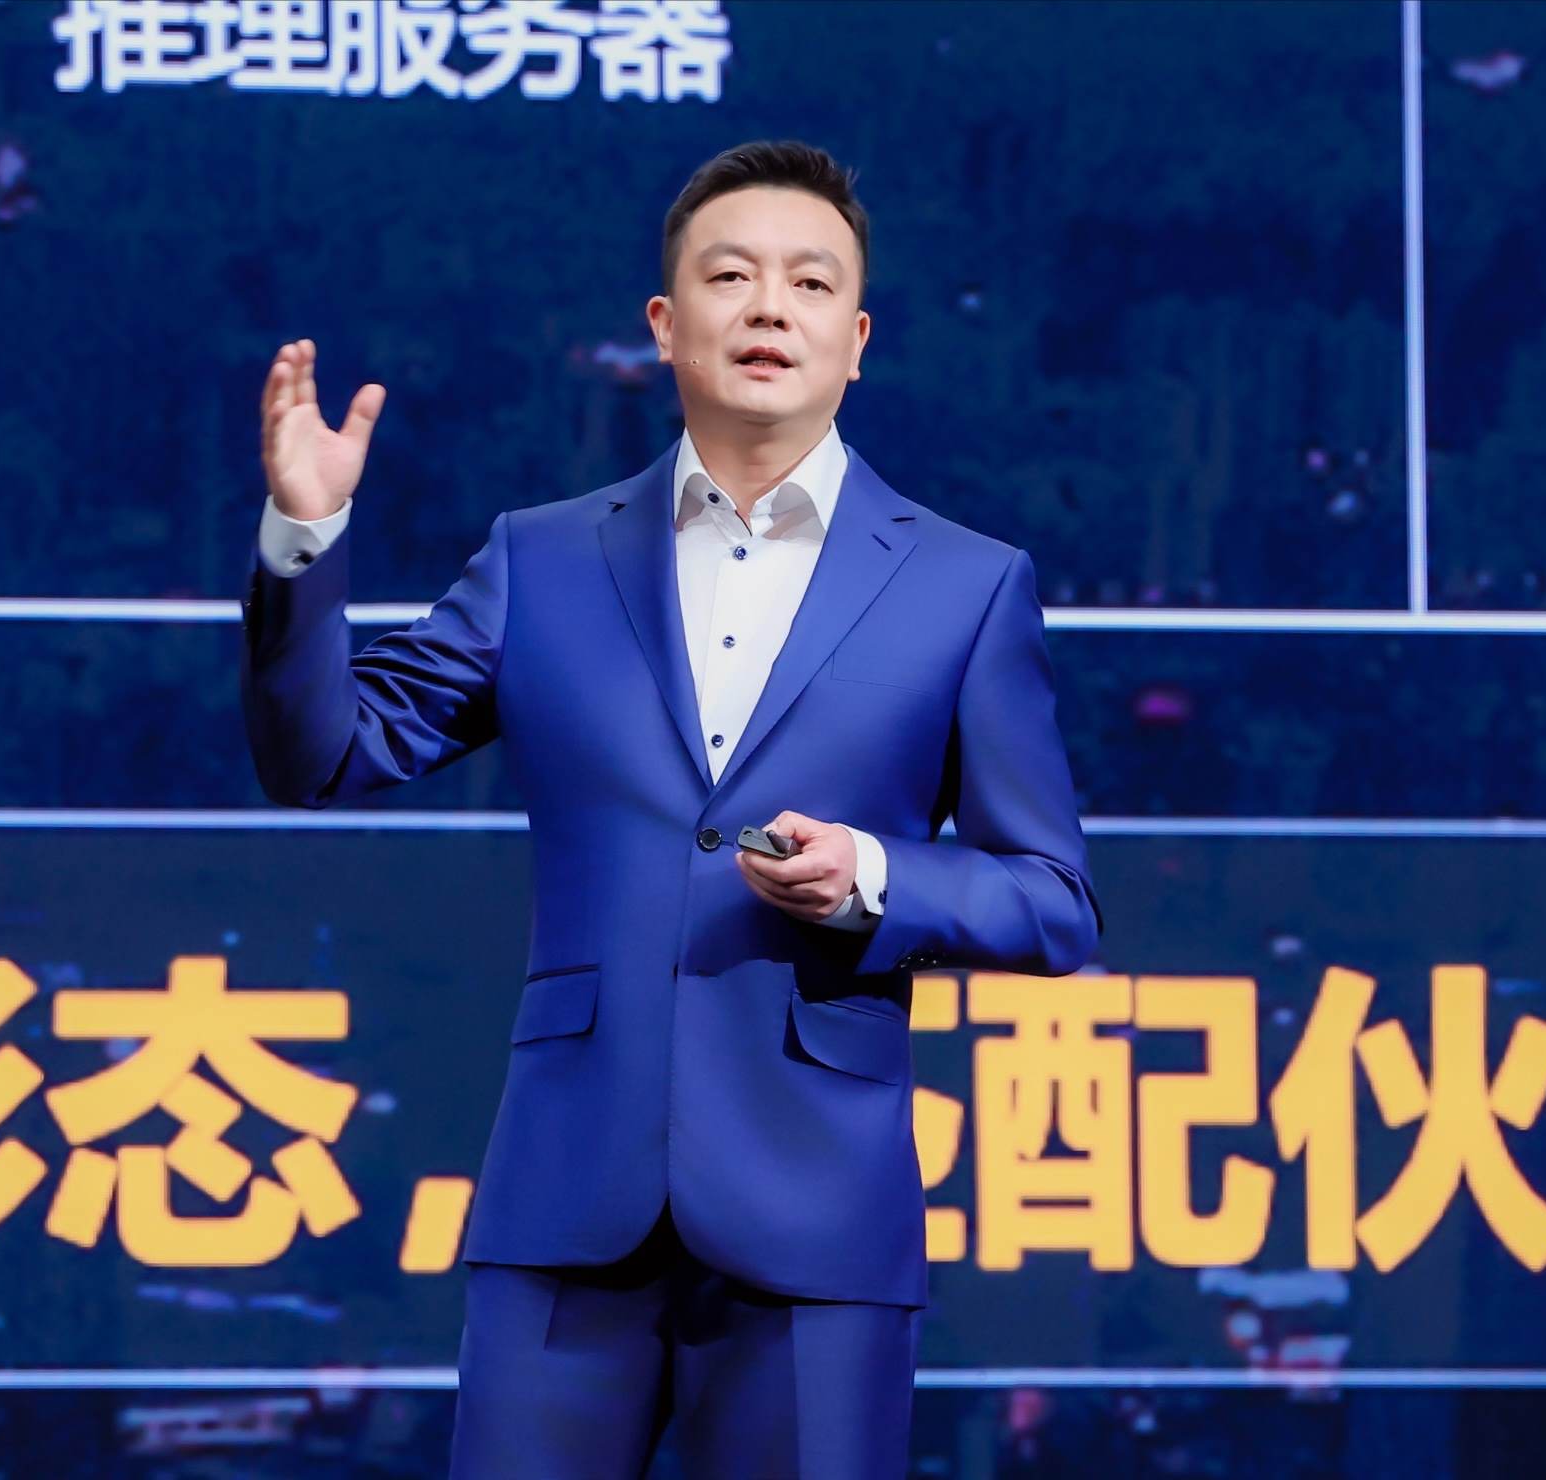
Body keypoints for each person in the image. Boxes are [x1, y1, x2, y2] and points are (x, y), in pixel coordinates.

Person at [241, 138, 1104, 1480]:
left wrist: (875, 878)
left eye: (810, 283)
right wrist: (305, 542)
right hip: (565, 1206)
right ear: (664, 323)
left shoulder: (966, 585)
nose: (770, 308)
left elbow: (1053, 902)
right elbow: (322, 755)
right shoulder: (542, 557)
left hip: (818, 1223)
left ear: (856, 341)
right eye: (731, 275)